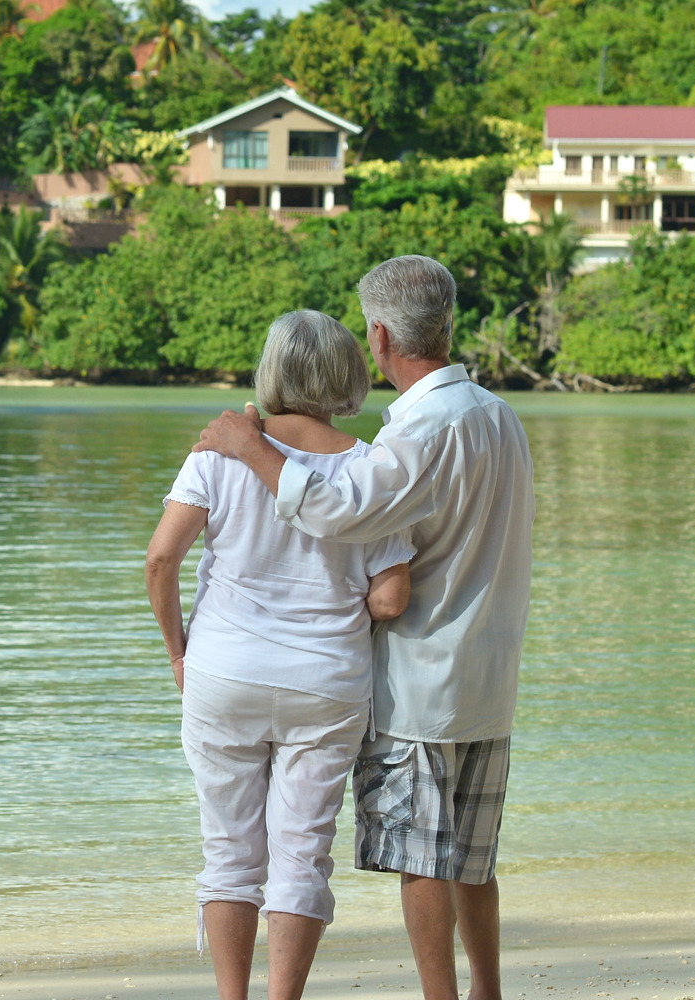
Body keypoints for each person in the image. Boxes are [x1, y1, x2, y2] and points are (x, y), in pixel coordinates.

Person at [193, 255, 535, 1000]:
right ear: (445, 325)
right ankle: (488, 992)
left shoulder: (419, 430)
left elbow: (343, 510)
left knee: (423, 859)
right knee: (473, 859)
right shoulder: (498, 415)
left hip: (422, 680)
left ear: (378, 337)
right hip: (490, 675)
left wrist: (251, 447)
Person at [146, 310, 416, 1000]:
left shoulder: (218, 451)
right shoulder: (372, 467)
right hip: (327, 684)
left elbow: (160, 559)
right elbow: (391, 599)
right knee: (301, 851)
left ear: (271, 374)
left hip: (222, 673)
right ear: (349, 374)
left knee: (229, 851)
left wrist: (179, 654)